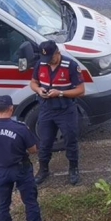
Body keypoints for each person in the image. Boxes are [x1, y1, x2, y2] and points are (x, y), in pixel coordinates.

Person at [0, 95, 54, 221]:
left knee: (2, 203)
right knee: (30, 201)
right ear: (11, 108)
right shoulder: (20, 128)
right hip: (21, 168)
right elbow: (33, 150)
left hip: (0, 170)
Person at [29, 40, 85, 186]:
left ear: (58, 53)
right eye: (45, 59)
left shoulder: (71, 66)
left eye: (51, 58)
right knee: (45, 142)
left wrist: (60, 93)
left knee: (70, 140)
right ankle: (43, 170)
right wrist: (39, 90)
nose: (48, 62)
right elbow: (33, 83)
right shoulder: (41, 64)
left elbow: (81, 90)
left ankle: (73, 169)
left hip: (66, 110)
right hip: (47, 109)